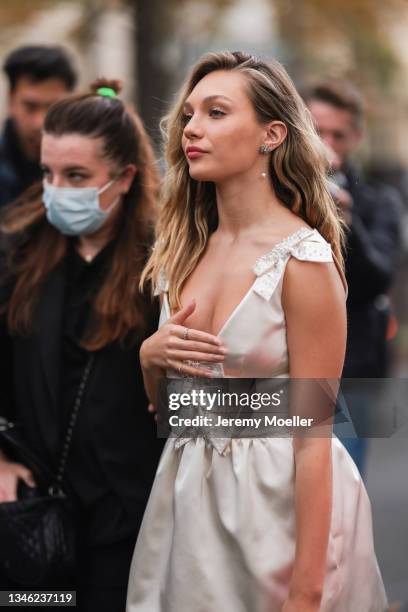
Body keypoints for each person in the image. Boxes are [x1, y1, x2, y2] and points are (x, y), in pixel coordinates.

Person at [126, 52, 387, 612]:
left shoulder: (304, 258)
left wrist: (306, 593)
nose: (192, 127)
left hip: (277, 512)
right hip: (187, 503)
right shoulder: (182, 247)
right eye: (190, 114)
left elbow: (315, 436)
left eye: (217, 112)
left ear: (272, 134)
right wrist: (151, 360)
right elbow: (176, 416)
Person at [0, 78, 163, 612]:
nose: (57, 190)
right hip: (36, 509)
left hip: (127, 511)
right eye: (48, 174)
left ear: (124, 178)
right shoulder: (20, 253)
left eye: (76, 176)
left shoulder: (162, 264)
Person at [305, 80, 402, 473]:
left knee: (342, 489)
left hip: (351, 370)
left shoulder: (378, 201)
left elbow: (377, 278)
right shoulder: (273, 193)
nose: (326, 144)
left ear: (356, 137)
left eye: (337, 135)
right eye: (316, 131)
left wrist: (347, 222)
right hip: (283, 370)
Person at [0, 45, 77, 207]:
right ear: (11, 102)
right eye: (30, 106)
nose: (40, 122)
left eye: (53, 107)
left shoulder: (90, 171)